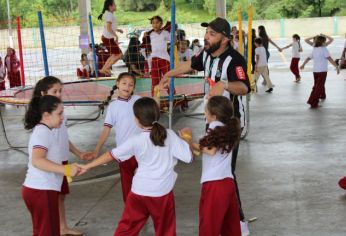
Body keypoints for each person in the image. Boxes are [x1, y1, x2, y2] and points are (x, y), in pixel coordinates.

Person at [159, 17, 251, 235]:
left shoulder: (234, 59)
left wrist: (225, 84)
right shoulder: (206, 54)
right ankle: (231, 222)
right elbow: (190, 65)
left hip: (229, 123)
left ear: (224, 39)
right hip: (211, 119)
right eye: (207, 32)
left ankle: (238, 222)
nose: (206, 37)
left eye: (211, 33)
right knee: (220, 170)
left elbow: (245, 87)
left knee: (226, 172)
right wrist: (168, 74)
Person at [78, 97, 193, 236]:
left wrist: (88, 166)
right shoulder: (169, 135)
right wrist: (187, 137)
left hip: (139, 192)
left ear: (137, 120)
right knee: (165, 231)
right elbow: (188, 157)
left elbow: (111, 155)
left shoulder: (135, 140)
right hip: (161, 193)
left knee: (126, 229)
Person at [31, 76, 92, 236]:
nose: (59, 94)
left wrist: (78, 152)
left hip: (61, 160)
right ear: (43, 93)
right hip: (51, 164)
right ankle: (58, 228)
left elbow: (64, 138)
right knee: (52, 201)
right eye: (55, 91)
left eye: (60, 91)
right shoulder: (46, 119)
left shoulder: (58, 113)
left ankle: (62, 227)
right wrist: (62, 168)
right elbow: (38, 159)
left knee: (61, 196)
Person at [22, 95, 80, 236]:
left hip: (37, 190)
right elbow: (38, 160)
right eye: (59, 113)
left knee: (42, 231)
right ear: (46, 115)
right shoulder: (42, 133)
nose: (62, 117)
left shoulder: (45, 131)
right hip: (42, 190)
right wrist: (64, 169)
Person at [192, 96, 242, 236]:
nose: (205, 114)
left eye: (206, 111)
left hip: (214, 184)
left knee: (209, 226)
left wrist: (188, 142)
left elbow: (211, 150)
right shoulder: (229, 127)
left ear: (213, 116)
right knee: (230, 226)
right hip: (228, 182)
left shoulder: (214, 125)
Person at [92, 72, 141, 203]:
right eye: (124, 83)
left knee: (143, 183)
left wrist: (157, 95)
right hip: (124, 153)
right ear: (117, 84)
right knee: (127, 186)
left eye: (131, 84)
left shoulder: (138, 100)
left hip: (141, 150)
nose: (127, 86)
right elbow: (106, 130)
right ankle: (130, 211)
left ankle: (144, 208)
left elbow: (151, 114)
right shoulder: (113, 107)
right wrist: (97, 150)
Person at [300, 35, 340, 108]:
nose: (325, 42)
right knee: (318, 87)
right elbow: (329, 58)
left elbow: (308, 58)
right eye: (324, 41)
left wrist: (303, 64)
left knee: (316, 87)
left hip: (315, 71)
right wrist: (336, 66)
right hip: (322, 71)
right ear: (323, 42)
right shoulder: (324, 49)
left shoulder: (315, 49)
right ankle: (313, 102)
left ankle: (313, 101)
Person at [141, 16, 171, 95]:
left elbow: (173, 40)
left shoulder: (165, 33)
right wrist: (144, 37)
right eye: (153, 23)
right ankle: (155, 97)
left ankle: (172, 95)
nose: (155, 25)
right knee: (155, 80)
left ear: (161, 24)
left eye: (157, 22)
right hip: (154, 59)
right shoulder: (149, 34)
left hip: (165, 59)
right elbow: (144, 45)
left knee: (168, 79)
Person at [98, 0, 124, 75]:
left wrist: (117, 30)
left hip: (107, 38)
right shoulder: (109, 14)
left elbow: (109, 27)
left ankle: (104, 69)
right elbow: (109, 28)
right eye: (114, 4)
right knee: (119, 54)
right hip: (108, 38)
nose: (116, 6)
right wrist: (116, 36)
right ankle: (105, 68)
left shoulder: (108, 14)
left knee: (114, 55)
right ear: (110, 6)